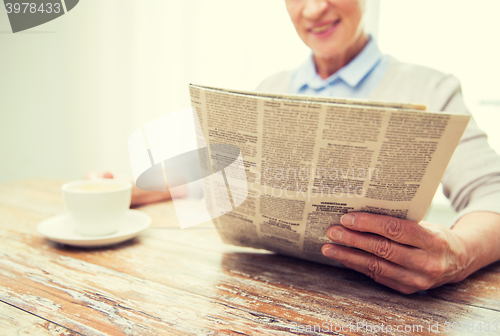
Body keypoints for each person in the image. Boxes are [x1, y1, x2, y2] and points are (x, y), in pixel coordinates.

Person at [92, 0, 500, 294]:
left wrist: (458, 254)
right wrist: (127, 189)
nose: (314, 9)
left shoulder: (432, 89)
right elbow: (214, 170)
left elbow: (492, 194)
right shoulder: (271, 90)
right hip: (261, 293)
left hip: (382, 304)